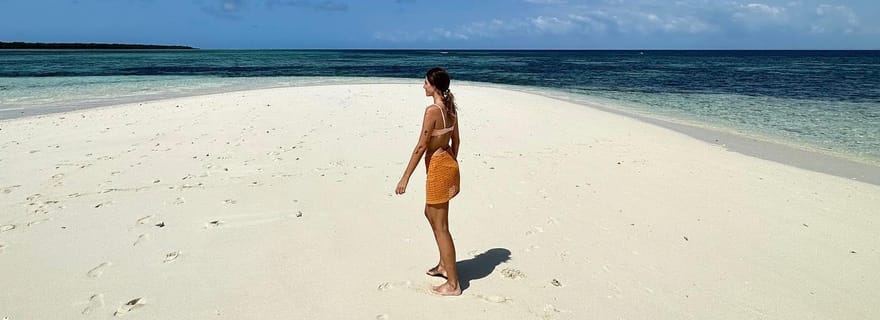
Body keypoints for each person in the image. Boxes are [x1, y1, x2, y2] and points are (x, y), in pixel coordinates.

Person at [395, 67, 462, 296]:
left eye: (425, 83)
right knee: (429, 213)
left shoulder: (432, 110)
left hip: (438, 169)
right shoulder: (451, 109)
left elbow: (421, 146)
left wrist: (405, 177)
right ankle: (444, 265)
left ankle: (453, 284)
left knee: (442, 227)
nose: (423, 86)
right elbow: (457, 141)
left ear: (434, 86)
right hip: (446, 164)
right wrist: (450, 159)